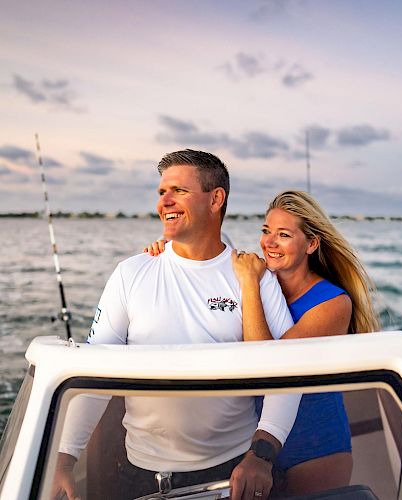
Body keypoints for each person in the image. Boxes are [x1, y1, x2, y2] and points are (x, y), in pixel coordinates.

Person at [52, 150, 300, 500]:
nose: (164, 201)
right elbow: (96, 373)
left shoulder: (253, 276)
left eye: (178, 191)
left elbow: (289, 370)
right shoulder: (131, 273)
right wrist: (64, 460)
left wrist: (261, 456)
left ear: (216, 199)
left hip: (232, 472)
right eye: (160, 192)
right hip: (139, 472)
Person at [146, 190, 380, 496]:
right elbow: (204, 252)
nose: (269, 242)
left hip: (314, 446)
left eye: (283, 235)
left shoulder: (333, 303)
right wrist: (169, 252)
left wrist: (250, 284)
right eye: (266, 231)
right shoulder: (258, 277)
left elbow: (268, 366)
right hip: (251, 442)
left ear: (311, 244)